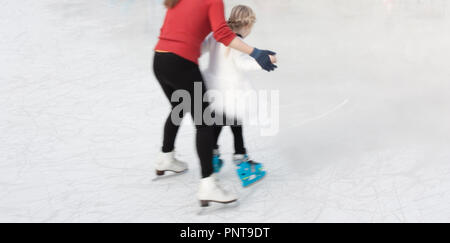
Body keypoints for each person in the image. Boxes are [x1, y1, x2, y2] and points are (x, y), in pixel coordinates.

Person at [153, 0, 277, 207]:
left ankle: (166, 157)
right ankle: (208, 185)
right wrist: (255, 53)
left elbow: (194, 38)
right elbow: (223, 35)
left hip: (160, 60)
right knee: (205, 124)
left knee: (178, 108)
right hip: (181, 64)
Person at [201, 5, 272, 187]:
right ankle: (242, 162)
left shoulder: (215, 36)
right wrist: (265, 62)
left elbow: (200, 48)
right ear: (247, 26)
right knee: (236, 126)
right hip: (231, 95)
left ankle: (212, 157)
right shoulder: (237, 43)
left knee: (218, 124)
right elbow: (244, 64)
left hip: (214, 92)